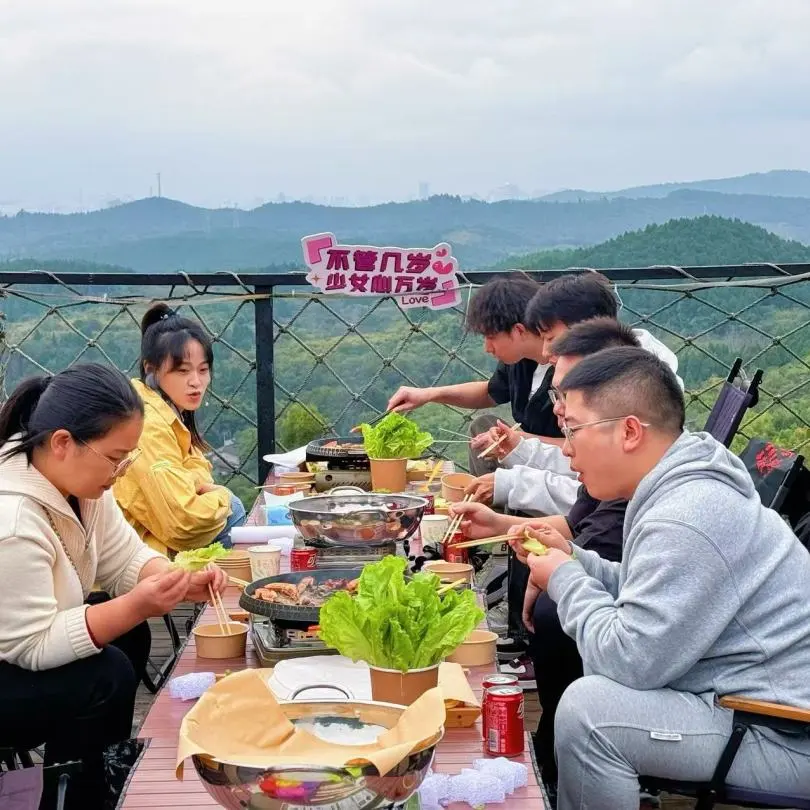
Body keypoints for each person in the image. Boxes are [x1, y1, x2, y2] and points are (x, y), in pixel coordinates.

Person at [511, 347, 810, 808]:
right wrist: (574, 558)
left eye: (572, 430)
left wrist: (565, 579)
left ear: (630, 430)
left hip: (782, 732)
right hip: (744, 702)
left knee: (591, 713)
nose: (566, 447)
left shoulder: (686, 515)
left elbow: (630, 661)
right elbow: (648, 595)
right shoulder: (681, 484)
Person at [0, 364, 227, 809]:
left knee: (128, 631)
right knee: (107, 673)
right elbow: (31, 644)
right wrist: (138, 604)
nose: (121, 472)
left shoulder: (83, 488)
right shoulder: (12, 522)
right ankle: (78, 797)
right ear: (63, 442)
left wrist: (176, 581)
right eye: (114, 457)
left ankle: (87, 772)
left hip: (23, 650)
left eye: (128, 458)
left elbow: (127, 559)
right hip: (11, 659)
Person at [450, 318, 635, 797]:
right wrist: (509, 530)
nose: (560, 434)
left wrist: (560, 573)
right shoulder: (624, 474)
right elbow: (578, 529)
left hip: (754, 716)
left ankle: (554, 759)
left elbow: (639, 654)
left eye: (567, 411)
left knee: (578, 693)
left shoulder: (677, 507)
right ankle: (552, 754)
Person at [469, 271, 682, 513]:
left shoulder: (632, 386)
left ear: (586, 329)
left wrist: (512, 484)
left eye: (551, 338)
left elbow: (596, 502)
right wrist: (519, 452)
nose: (547, 352)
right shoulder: (610, 370)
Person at [386, 274, 563, 478]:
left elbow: (582, 447)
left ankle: (503, 505)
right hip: (527, 459)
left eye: (491, 337)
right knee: (483, 425)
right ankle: (490, 500)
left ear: (518, 331)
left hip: (563, 472)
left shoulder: (569, 368)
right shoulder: (521, 361)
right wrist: (429, 395)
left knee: (493, 434)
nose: (487, 348)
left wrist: (521, 442)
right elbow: (489, 393)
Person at [114, 304, 246, 556]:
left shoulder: (168, 413)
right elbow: (185, 523)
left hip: (153, 554)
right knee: (235, 511)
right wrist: (226, 498)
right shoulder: (147, 424)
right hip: (142, 565)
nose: (196, 381)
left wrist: (195, 484)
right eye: (183, 371)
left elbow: (196, 476)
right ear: (151, 370)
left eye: (203, 370)